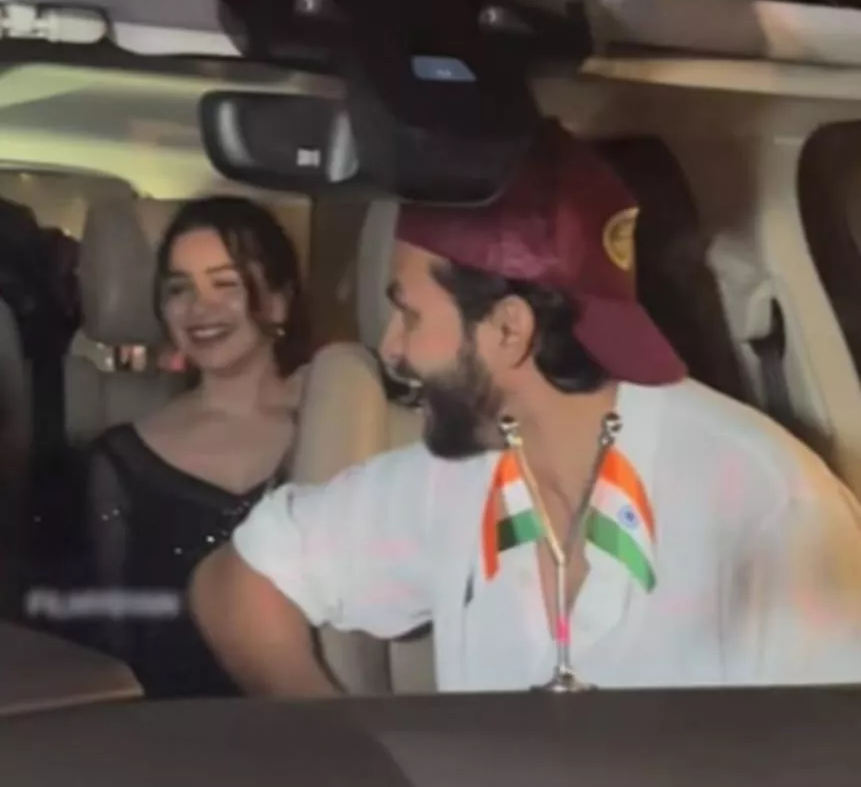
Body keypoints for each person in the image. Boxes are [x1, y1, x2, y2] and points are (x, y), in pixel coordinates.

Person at [190, 119, 861, 696]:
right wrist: (345, 756)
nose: (391, 349)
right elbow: (234, 584)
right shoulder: (459, 476)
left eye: (409, 314)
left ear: (508, 329)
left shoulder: (769, 508)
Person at [86, 195, 310, 698]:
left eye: (226, 285)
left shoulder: (338, 427)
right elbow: (109, 656)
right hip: (172, 736)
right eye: (179, 288)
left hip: (320, 729)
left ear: (278, 300)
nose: (199, 308)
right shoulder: (121, 461)